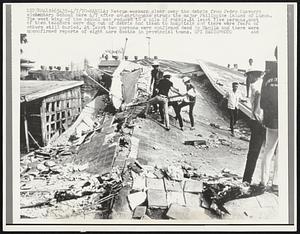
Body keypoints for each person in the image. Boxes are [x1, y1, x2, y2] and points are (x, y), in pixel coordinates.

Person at [259, 47, 278, 192]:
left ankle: (263, 182)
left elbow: (263, 102)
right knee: (282, 152)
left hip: (271, 120)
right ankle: (276, 183)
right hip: (286, 119)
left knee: (268, 150)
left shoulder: (268, 75)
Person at [242, 71, 266, 184]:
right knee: (261, 152)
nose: (248, 78)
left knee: (253, 152)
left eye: (249, 75)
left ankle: (247, 179)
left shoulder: (256, 86)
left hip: (258, 122)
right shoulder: (260, 83)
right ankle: (257, 180)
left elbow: (258, 98)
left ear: (254, 75)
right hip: (262, 121)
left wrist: (256, 116)